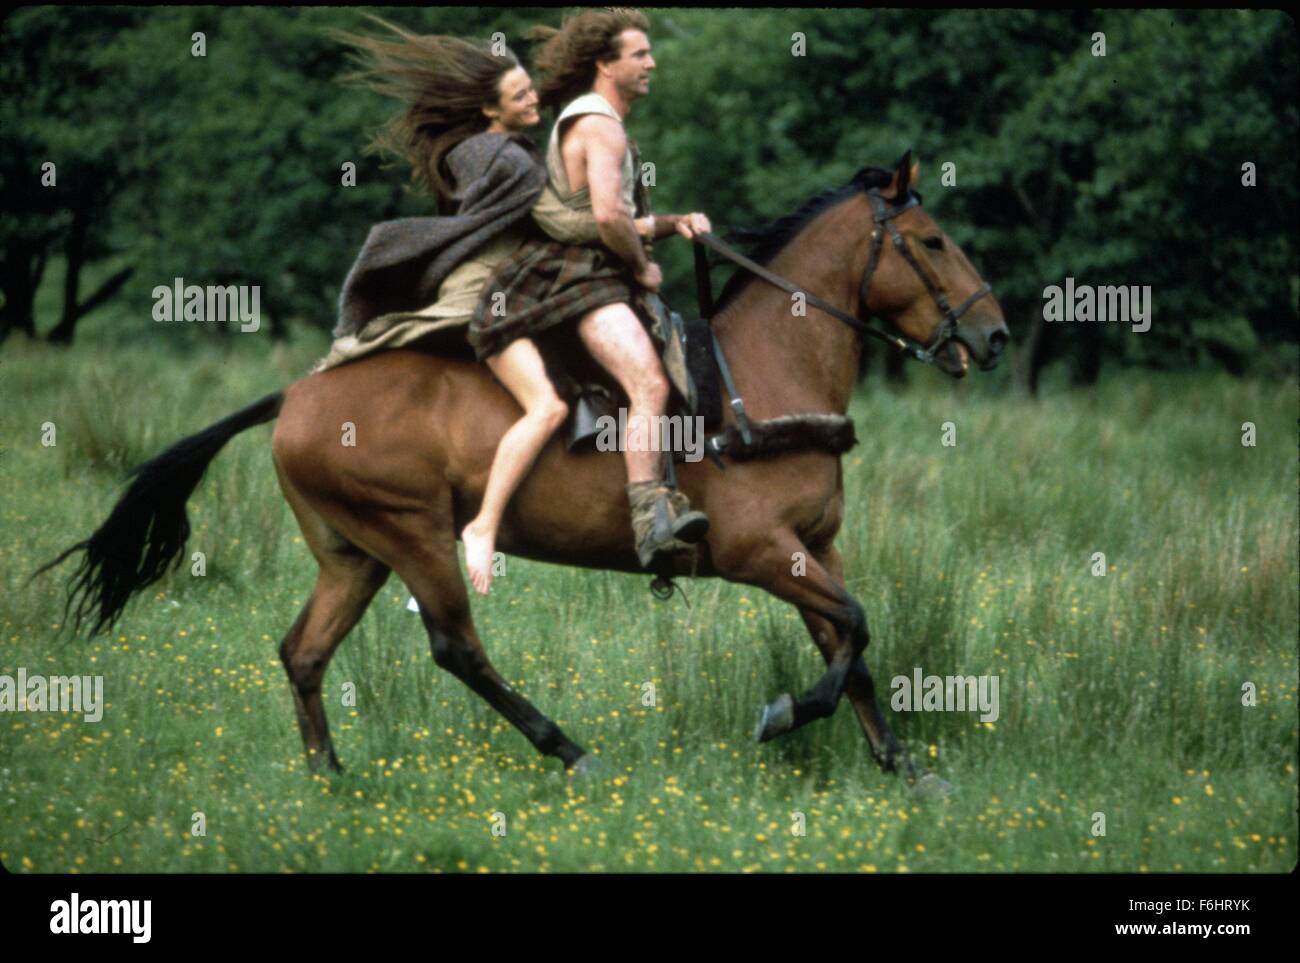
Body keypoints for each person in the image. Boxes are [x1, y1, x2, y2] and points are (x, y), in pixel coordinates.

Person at [314, 18, 655, 598]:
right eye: (519, 95)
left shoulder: (491, 149)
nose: (534, 99)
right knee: (544, 405)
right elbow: (561, 221)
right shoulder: (510, 161)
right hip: (489, 291)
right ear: (490, 111)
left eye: (530, 88)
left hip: (499, 281)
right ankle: (487, 523)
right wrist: (652, 229)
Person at [464, 8, 712, 591]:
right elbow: (607, 216)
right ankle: (650, 520)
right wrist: (642, 267)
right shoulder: (601, 124)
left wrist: (670, 224)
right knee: (649, 382)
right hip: (580, 279)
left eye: (650, 53)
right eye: (639, 55)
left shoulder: (598, 121)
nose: (652, 63)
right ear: (606, 64)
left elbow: (613, 214)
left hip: (587, 273)